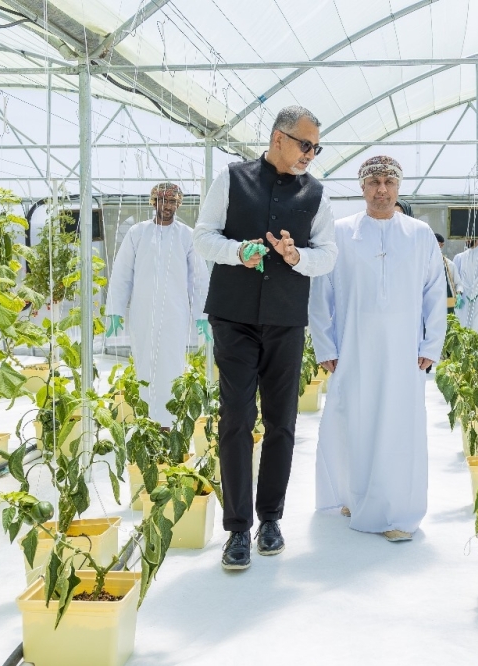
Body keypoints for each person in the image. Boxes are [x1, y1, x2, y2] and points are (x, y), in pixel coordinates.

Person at [194, 105, 339, 571]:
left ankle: (270, 519)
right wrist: (240, 251)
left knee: (282, 422)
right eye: (305, 144)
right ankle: (237, 529)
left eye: (316, 147)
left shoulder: (316, 194)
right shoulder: (232, 179)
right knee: (235, 418)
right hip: (232, 317)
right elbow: (203, 237)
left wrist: (297, 257)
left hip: (285, 319)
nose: (310, 154)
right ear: (279, 138)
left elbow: (329, 255)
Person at [310, 156, 446, 542]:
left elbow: (435, 293)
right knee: (353, 419)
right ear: (362, 187)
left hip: (404, 351)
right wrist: (325, 344)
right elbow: (322, 294)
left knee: (399, 426)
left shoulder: (419, 234)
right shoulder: (339, 233)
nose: (381, 189)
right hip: (353, 347)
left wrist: (431, 343)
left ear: (399, 186)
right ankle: (355, 494)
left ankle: (398, 511)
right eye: (373, 182)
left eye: (388, 181)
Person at [105, 182, 201, 428]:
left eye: (171, 202)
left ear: (178, 204)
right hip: (143, 313)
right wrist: (115, 311)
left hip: (175, 314)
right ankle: (146, 422)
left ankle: (170, 422)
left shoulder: (187, 235)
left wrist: (203, 315)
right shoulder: (138, 233)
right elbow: (122, 273)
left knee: (173, 365)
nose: (166, 206)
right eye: (161, 201)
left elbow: (198, 278)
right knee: (145, 365)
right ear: (153, 202)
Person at [435, 233, 463, 314]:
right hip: (432, 302)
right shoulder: (424, 264)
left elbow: (458, 284)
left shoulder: (449, 265)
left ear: (441, 245)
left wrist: (458, 294)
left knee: (449, 321)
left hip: (448, 301)